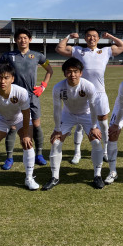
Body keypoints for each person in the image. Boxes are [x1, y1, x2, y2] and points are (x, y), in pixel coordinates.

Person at [55, 27, 123, 163]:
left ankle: (105, 150)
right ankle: (77, 153)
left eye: (94, 36)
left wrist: (110, 36)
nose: (91, 38)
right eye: (88, 36)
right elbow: (59, 48)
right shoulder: (78, 50)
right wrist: (69, 36)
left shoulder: (105, 51)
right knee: (79, 125)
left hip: (100, 93)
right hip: (82, 93)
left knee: (103, 124)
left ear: (98, 38)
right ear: (85, 38)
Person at [0, 27, 53, 170]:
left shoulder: (37, 56)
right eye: (19, 38)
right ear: (15, 40)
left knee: (36, 125)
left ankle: (39, 154)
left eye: (25, 38)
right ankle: (9, 157)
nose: (22, 40)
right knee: (13, 126)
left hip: (32, 96)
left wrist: (43, 86)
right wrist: (3, 85)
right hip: (15, 98)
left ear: (30, 40)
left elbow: (49, 70)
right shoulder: (8, 55)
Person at [0, 61, 39, 193]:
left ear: (12, 79)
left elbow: (26, 114)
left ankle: (29, 178)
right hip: (2, 119)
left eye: (6, 77)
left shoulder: (21, 92)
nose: (2, 81)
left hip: (20, 118)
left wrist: (26, 134)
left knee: (27, 143)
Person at [42, 58, 105, 190]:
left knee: (96, 142)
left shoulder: (88, 86)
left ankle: (97, 175)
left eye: (75, 71)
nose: (72, 75)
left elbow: (94, 108)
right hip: (68, 114)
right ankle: (55, 177)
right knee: (56, 142)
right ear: (64, 73)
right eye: (69, 72)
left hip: (86, 114)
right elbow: (57, 109)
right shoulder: (58, 87)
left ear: (81, 73)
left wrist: (94, 127)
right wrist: (57, 128)